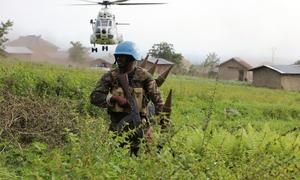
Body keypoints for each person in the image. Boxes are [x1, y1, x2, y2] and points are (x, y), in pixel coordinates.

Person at [90, 41, 165, 155]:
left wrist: (162, 122)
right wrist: (114, 98)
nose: (119, 59)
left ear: (131, 58)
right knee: (114, 158)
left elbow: (158, 102)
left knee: (143, 158)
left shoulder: (144, 77)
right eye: (118, 56)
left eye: (123, 56)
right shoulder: (111, 76)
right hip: (117, 125)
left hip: (141, 125)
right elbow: (94, 97)